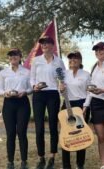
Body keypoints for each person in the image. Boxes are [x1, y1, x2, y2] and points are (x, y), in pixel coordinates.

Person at [30, 36, 65, 169]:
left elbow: (62, 78)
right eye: (42, 44)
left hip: (52, 94)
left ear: (52, 45)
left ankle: (52, 156)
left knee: (52, 126)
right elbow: (32, 78)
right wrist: (34, 86)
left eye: (47, 43)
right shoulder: (36, 61)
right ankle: (41, 157)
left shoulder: (59, 61)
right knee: (39, 127)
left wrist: (62, 84)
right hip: (38, 94)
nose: (44, 45)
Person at [0, 48, 32, 169]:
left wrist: (25, 92)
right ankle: (10, 161)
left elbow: (30, 88)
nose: (13, 57)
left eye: (15, 55)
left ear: (20, 56)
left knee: (22, 132)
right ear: (9, 58)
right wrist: (5, 93)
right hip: (9, 103)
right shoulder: (3, 73)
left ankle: (24, 161)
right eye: (11, 55)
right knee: (10, 133)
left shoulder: (27, 72)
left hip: (22, 102)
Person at [59, 51, 91, 169]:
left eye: (75, 58)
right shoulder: (63, 74)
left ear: (80, 60)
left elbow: (89, 92)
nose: (73, 60)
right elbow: (61, 92)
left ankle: (80, 164)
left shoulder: (86, 74)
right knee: (66, 134)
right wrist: (61, 89)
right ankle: (66, 165)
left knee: (81, 135)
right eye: (70, 58)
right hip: (67, 104)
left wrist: (86, 106)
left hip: (81, 105)